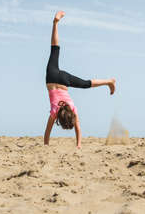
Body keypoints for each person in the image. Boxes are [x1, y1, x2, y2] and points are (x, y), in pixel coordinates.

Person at [44, 11, 116, 149]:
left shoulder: (71, 108)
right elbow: (47, 133)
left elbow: (77, 128)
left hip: (64, 81)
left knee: (86, 84)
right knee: (54, 50)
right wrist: (47, 144)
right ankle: (55, 23)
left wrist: (79, 144)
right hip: (52, 77)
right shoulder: (54, 112)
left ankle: (109, 82)